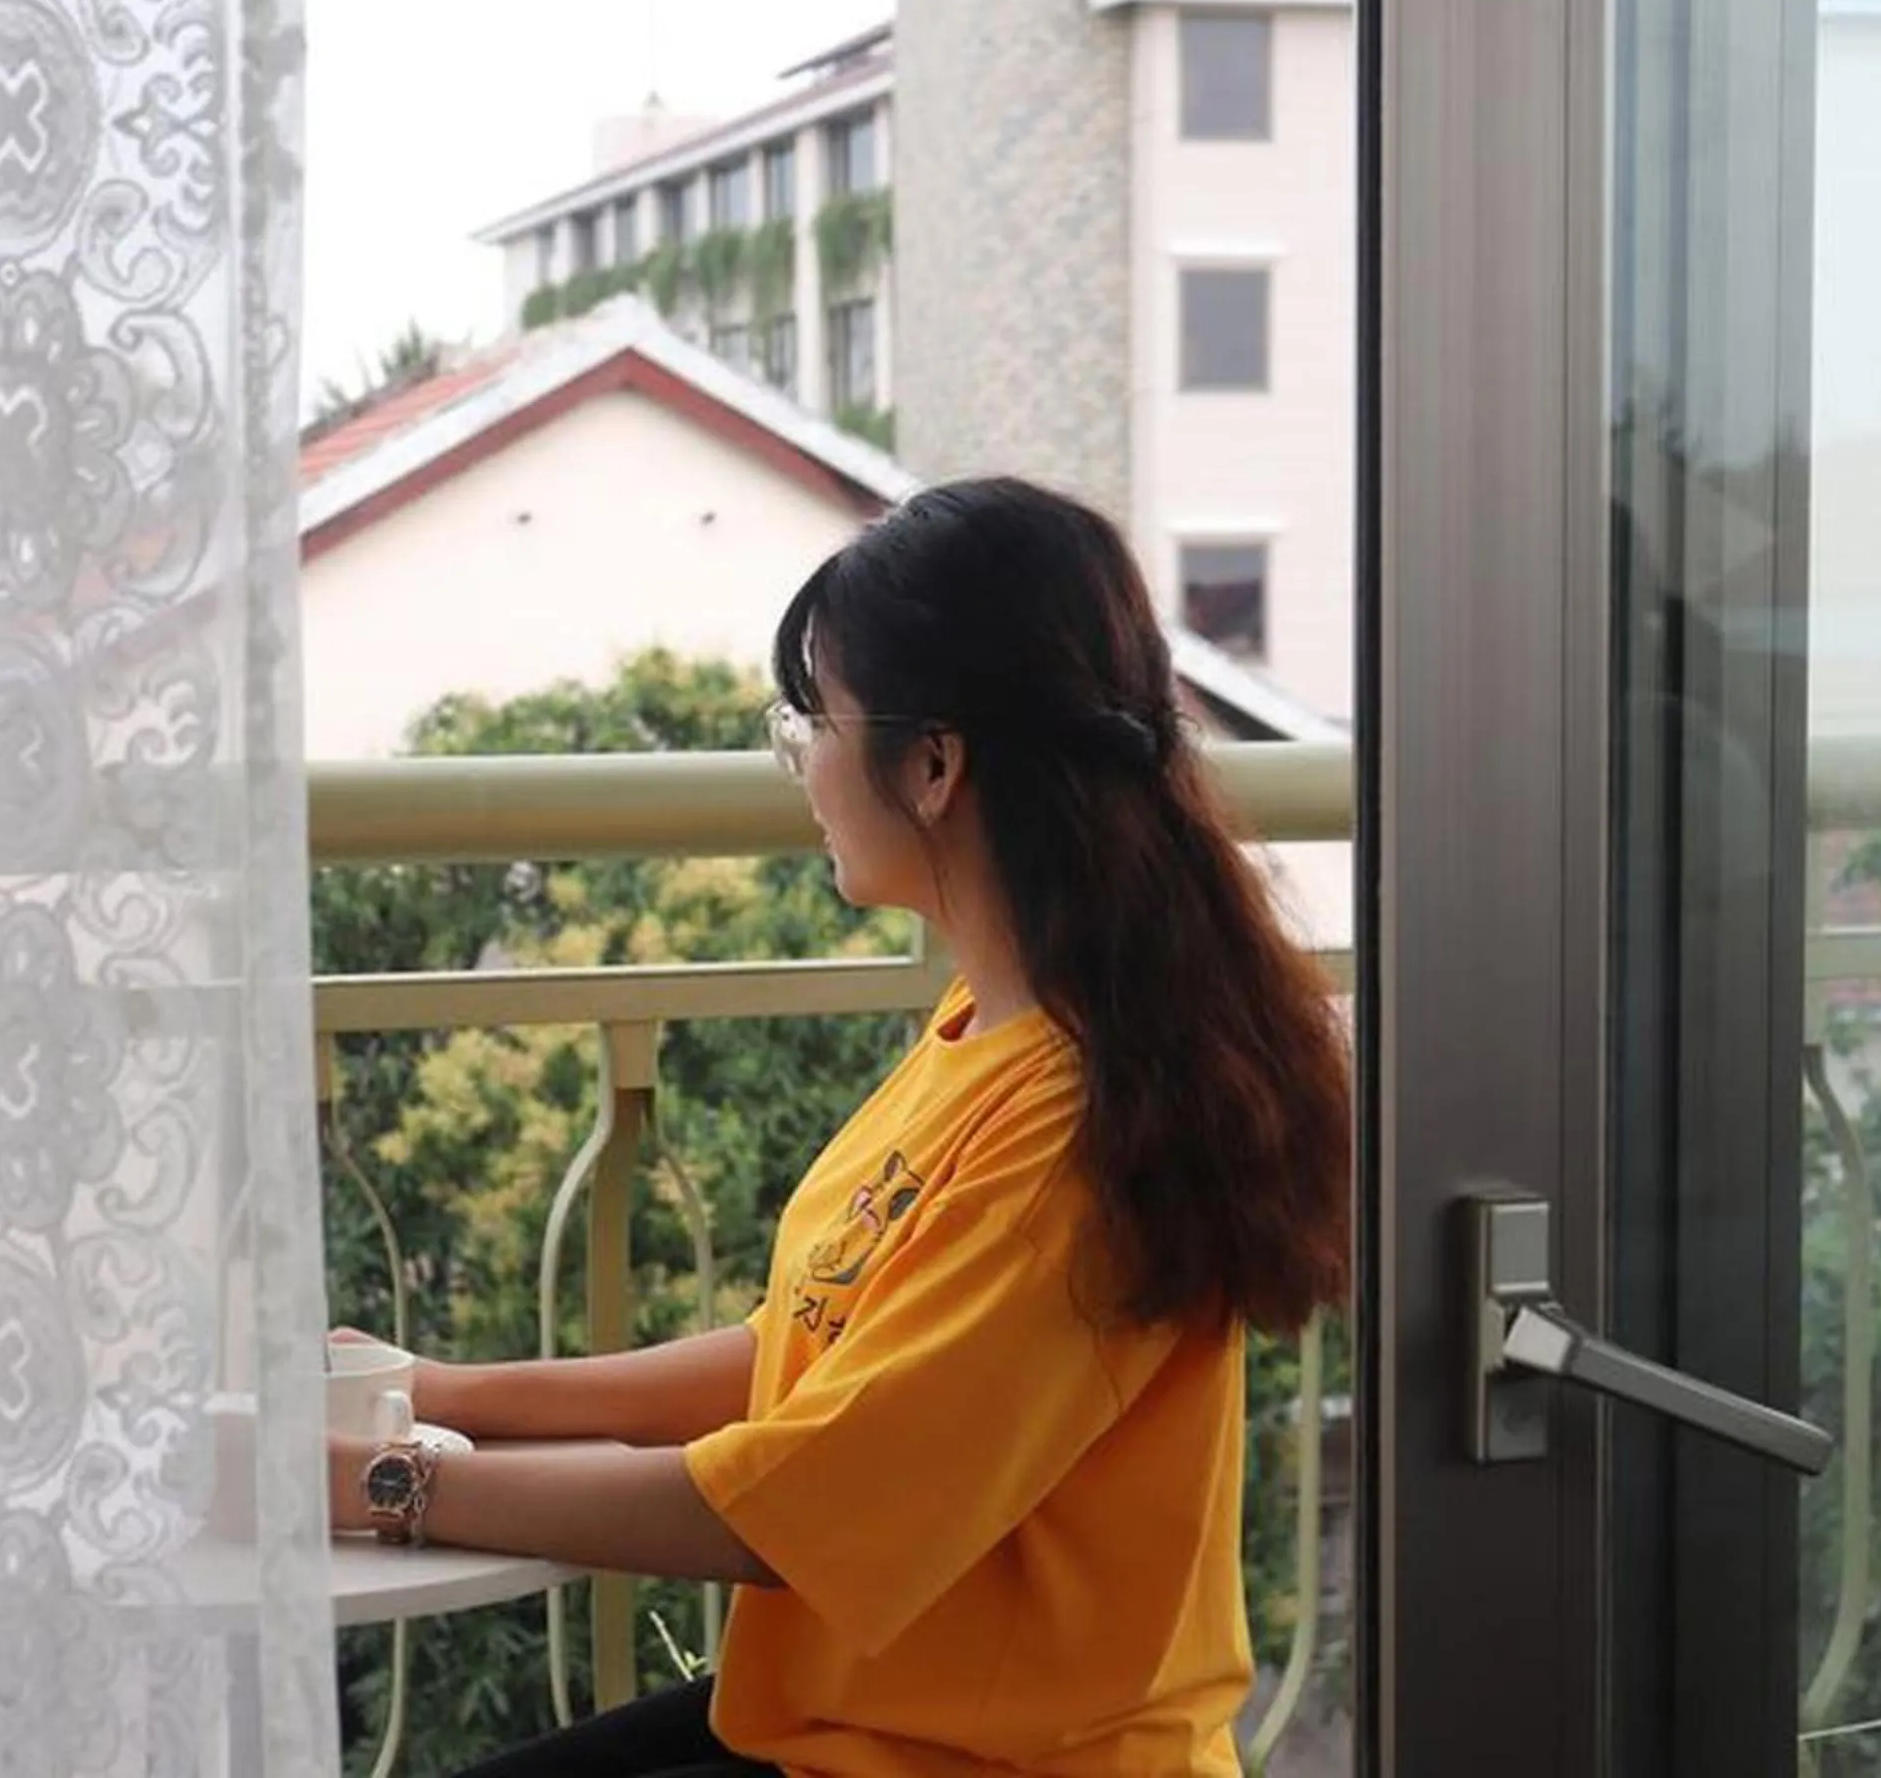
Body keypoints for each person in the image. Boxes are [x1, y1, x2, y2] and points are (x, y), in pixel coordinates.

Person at [327, 476, 1354, 1776]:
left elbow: (791, 1506)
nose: (802, 759)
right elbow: (811, 1351)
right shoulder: (995, 1028)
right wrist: (445, 1396)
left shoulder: (1081, 1126)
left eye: (813, 717)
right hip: (856, 1729)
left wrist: (384, 1483)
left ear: (932, 764)